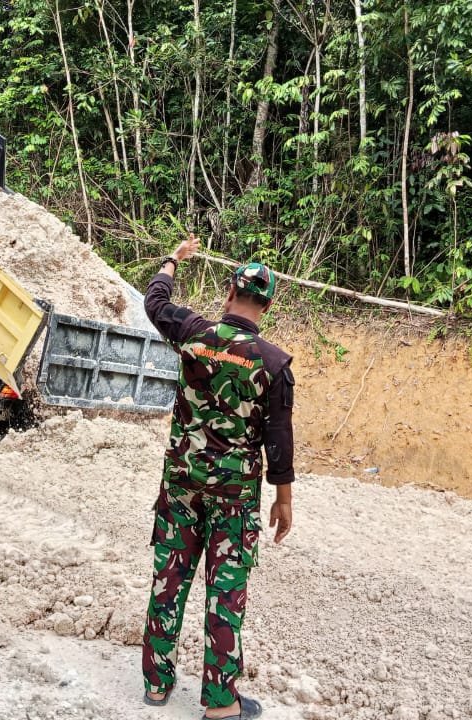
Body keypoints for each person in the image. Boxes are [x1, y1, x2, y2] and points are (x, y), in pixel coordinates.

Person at [141, 234, 295, 720]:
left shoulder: (193, 333)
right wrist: (284, 499)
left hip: (181, 487)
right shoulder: (273, 364)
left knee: (169, 579)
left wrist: (173, 259)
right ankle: (221, 703)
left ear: (230, 293)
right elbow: (279, 442)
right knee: (225, 594)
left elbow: (154, 302)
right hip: (233, 497)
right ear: (267, 306)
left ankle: (157, 685)